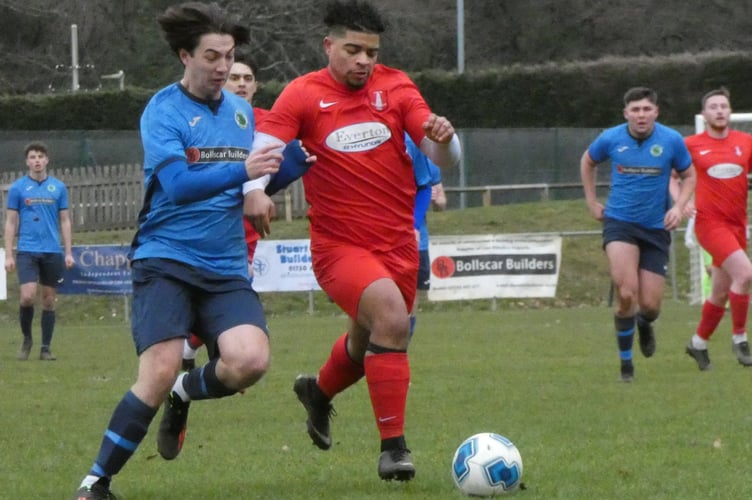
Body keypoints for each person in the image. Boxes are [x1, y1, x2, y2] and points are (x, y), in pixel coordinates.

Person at [72, 3, 285, 498]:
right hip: (165, 259)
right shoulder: (163, 111)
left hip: (225, 266)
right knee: (160, 366)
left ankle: (184, 393)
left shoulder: (240, 111)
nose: (222, 67)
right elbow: (181, 186)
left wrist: (262, 186)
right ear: (185, 55)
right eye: (212, 56)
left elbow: (249, 178)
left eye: (229, 57)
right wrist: (245, 175)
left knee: (250, 362)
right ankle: (95, 483)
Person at [243, 0, 461, 482]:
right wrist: (255, 192)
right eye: (353, 49)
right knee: (391, 317)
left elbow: (437, 153)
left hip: (399, 244)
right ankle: (394, 450)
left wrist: (443, 139)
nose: (364, 60)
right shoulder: (302, 95)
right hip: (339, 249)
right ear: (329, 46)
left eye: (371, 51)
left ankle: (317, 392)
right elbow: (263, 151)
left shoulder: (397, 85)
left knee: (369, 344)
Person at [580, 86, 696, 382]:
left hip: (656, 227)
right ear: (626, 114)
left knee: (651, 306)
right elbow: (588, 161)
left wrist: (679, 206)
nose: (641, 115)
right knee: (626, 292)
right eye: (635, 110)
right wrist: (592, 201)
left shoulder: (671, 140)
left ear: (656, 112)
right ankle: (626, 367)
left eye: (646, 109)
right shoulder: (611, 138)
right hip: (619, 223)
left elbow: (689, 175)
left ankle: (645, 323)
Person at [683, 87, 752, 370]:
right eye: (714, 107)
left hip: (737, 223)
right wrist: (680, 202)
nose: (720, 111)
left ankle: (698, 343)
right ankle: (740, 339)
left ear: (729, 111)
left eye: (724, 106)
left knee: (721, 292)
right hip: (710, 223)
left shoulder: (745, 142)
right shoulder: (691, 144)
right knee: (746, 274)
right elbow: (673, 176)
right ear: (704, 114)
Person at [4, 141, 75, 361]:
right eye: (33, 157)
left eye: (40, 156)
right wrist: (8, 254)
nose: (37, 160)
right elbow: (10, 222)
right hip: (27, 250)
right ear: (27, 161)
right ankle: (27, 340)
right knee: (26, 297)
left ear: (47, 160)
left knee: (48, 300)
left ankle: (45, 348)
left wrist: (69, 251)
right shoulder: (17, 188)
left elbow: (64, 221)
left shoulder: (58, 187)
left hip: (52, 251)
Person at [407, 134, 446, 337]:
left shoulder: (430, 164)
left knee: (412, 297)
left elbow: (441, 202)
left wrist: (436, 200)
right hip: (391, 237)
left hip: (418, 241)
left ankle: (403, 344)